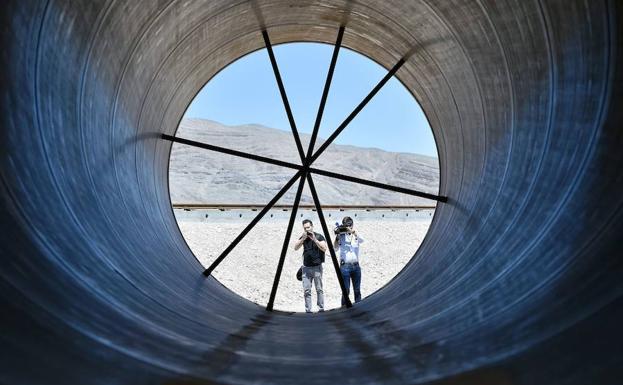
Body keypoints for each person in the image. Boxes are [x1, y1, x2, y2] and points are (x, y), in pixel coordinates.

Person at [293, 219, 328, 313]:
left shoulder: (319, 236)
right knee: (307, 291)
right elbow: (295, 247)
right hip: (306, 268)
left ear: (312, 226)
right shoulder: (303, 237)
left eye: (308, 227)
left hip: (317, 267)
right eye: (305, 228)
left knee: (319, 289)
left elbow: (324, 248)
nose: (307, 230)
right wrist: (303, 239)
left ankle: (321, 308)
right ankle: (308, 310)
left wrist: (315, 239)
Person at [333, 216, 363, 306]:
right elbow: (335, 248)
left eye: (350, 225)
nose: (348, 227)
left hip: (356, 266)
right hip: (344, 266)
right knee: (346, 290)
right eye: (346, 225)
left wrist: (354, 233)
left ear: (352, 225)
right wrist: (337, 238)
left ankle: (358, 307)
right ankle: (344, 308)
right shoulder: (341, 235)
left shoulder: (355, 235)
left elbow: (362, 240)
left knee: (357, 289)